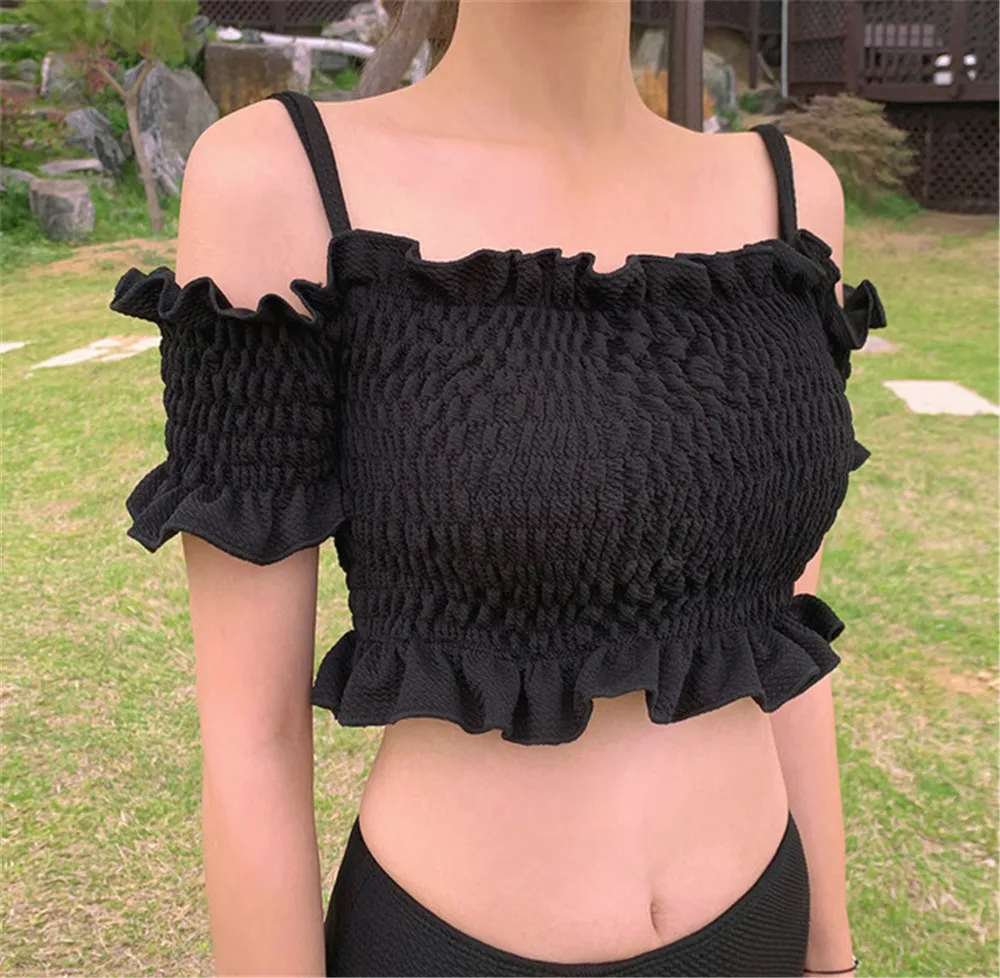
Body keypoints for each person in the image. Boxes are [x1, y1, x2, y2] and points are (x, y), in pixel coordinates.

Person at [110, 2, 886, 975]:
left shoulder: (793, 193)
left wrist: (830, 953)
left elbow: (784, 643)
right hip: (450, 948)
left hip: (761, 923)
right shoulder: (280, 177)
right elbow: (251, 744)